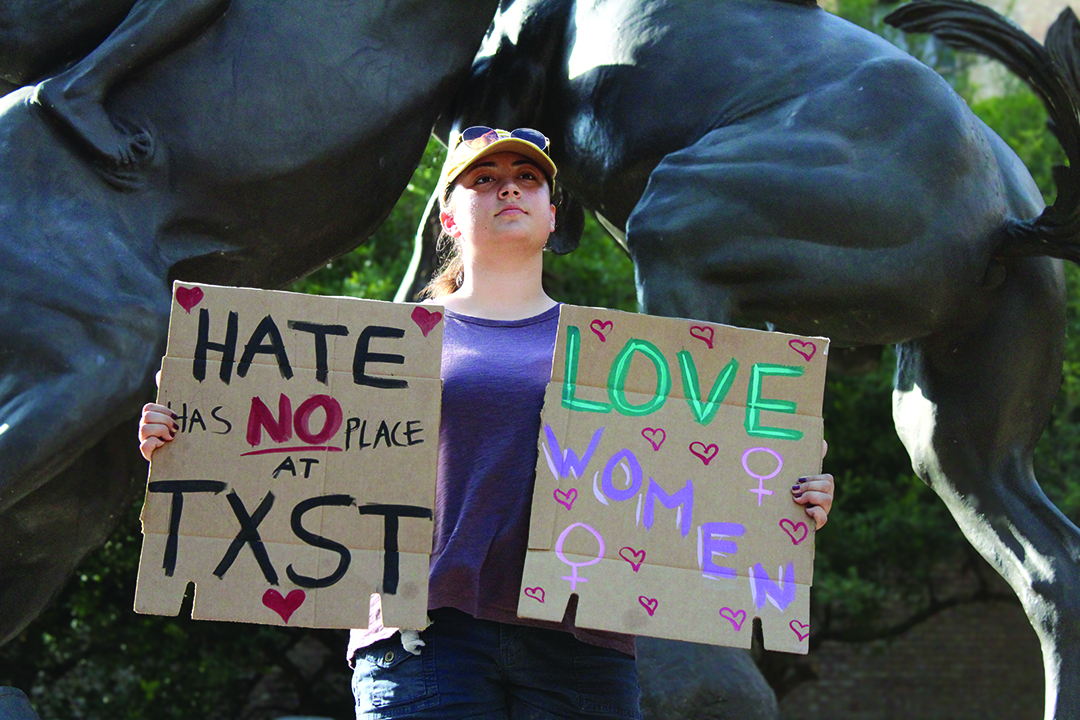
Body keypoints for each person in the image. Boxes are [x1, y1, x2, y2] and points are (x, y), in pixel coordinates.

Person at [138, 126, 836, 719]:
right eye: (485, 178)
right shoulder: (379, 345)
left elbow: (703, 481)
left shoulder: (630, 361)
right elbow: (279, 449)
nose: (509, 187)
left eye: (528, 178)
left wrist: (788, 500)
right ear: (447, 215)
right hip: (421, 639)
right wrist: (187, 438)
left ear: (552, 215)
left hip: (580, 648)